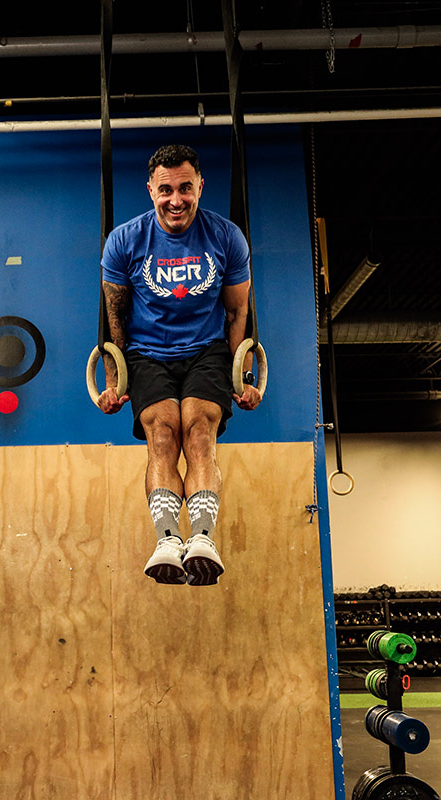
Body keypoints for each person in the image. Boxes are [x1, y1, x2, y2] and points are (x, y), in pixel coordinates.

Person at [97, 143, 261, 586]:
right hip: (147, 353)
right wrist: (113, 379)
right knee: (163, 431)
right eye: (165, 189)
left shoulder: (226, 237)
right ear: (150, 189)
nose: (176, 200)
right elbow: (113, 315)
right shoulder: (125, 241)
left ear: (200, 187)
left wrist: (242, 374)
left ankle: (202, 538)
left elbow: (237, 313)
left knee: (199, 429)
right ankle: (169, 539)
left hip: (207, 349)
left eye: (185, 188)